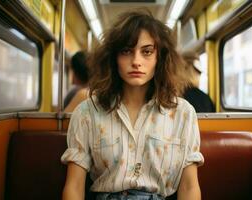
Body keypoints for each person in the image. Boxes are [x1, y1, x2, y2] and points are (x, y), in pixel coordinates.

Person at [61, 10, 204, 200]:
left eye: (146, 52)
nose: (136, 61)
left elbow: (189, 187)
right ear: (114, 58)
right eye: (126, 51)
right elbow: (74, 186)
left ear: (159, 58)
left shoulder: (183, 113)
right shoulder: (87, 112)